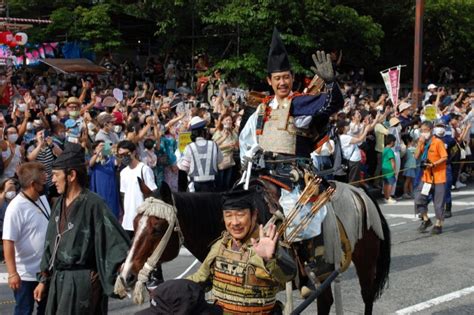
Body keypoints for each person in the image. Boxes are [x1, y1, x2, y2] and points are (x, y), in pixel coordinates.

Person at [34, 143, 130, 314]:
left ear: (71, 175)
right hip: (58, 280)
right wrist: (43, 279)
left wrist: (102, 276)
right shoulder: (58, 203)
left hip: (83, 282)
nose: (53, 180)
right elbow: (50, 244)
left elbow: (118, 244)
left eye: (56, 175)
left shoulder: (94, 203)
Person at [187, 188, 296, 314]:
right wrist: (169, 289)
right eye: (228, 215)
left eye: (240, 215)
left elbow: (289, 275)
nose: (234, 223)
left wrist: (270, 258)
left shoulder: (266, 244)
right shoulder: (220, 245)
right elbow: (201, 278)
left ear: (254, 215)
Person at [3, 162, 50, 315]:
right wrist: (12, 273)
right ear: (32, 184)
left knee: (47, 310)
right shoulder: (16, 207)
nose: (46, 183)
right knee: (24, 311)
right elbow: (8, 241)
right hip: (25, 275)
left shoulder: (43, 200)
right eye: (42, 182)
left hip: (45, 272)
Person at [414, 121, 448, 234]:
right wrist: (419, 143)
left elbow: (444, 157)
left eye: (425, 130)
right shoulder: (422, 142)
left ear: (431, 130)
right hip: (427, 177)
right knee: (419, 198)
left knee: (438, 203)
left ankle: (439, 224)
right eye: (421, 131)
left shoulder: (438, 142)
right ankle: (425, 219)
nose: (423, 133)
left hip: (439, 177)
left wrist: (434, 164)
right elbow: (416, 156)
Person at [118, 140, 157, 236]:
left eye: (126, 154)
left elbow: (152, 192)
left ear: (134, 152)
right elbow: (124, 195)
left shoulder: (144, 169)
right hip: (128, 221)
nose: (123, 157)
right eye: (120, 155)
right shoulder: (123, 173)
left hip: (143, 219)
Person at [177, 116, 223, 192]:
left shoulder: (189, 147)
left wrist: (179, 160)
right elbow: (220, 160)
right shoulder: (214, 145)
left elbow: (184, 167)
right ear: (203, 132)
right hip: (212, 186)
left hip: (195, 187)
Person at [381, 135, 397, 204]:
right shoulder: (390, 151)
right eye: (394, 142)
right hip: (390, 170)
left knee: (385, 183)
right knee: (390, 184)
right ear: (391, 142)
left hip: (384, 169)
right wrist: (394, 170)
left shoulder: (384, 149)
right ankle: (388, 197)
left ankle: (385, 197)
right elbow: (392, 161)